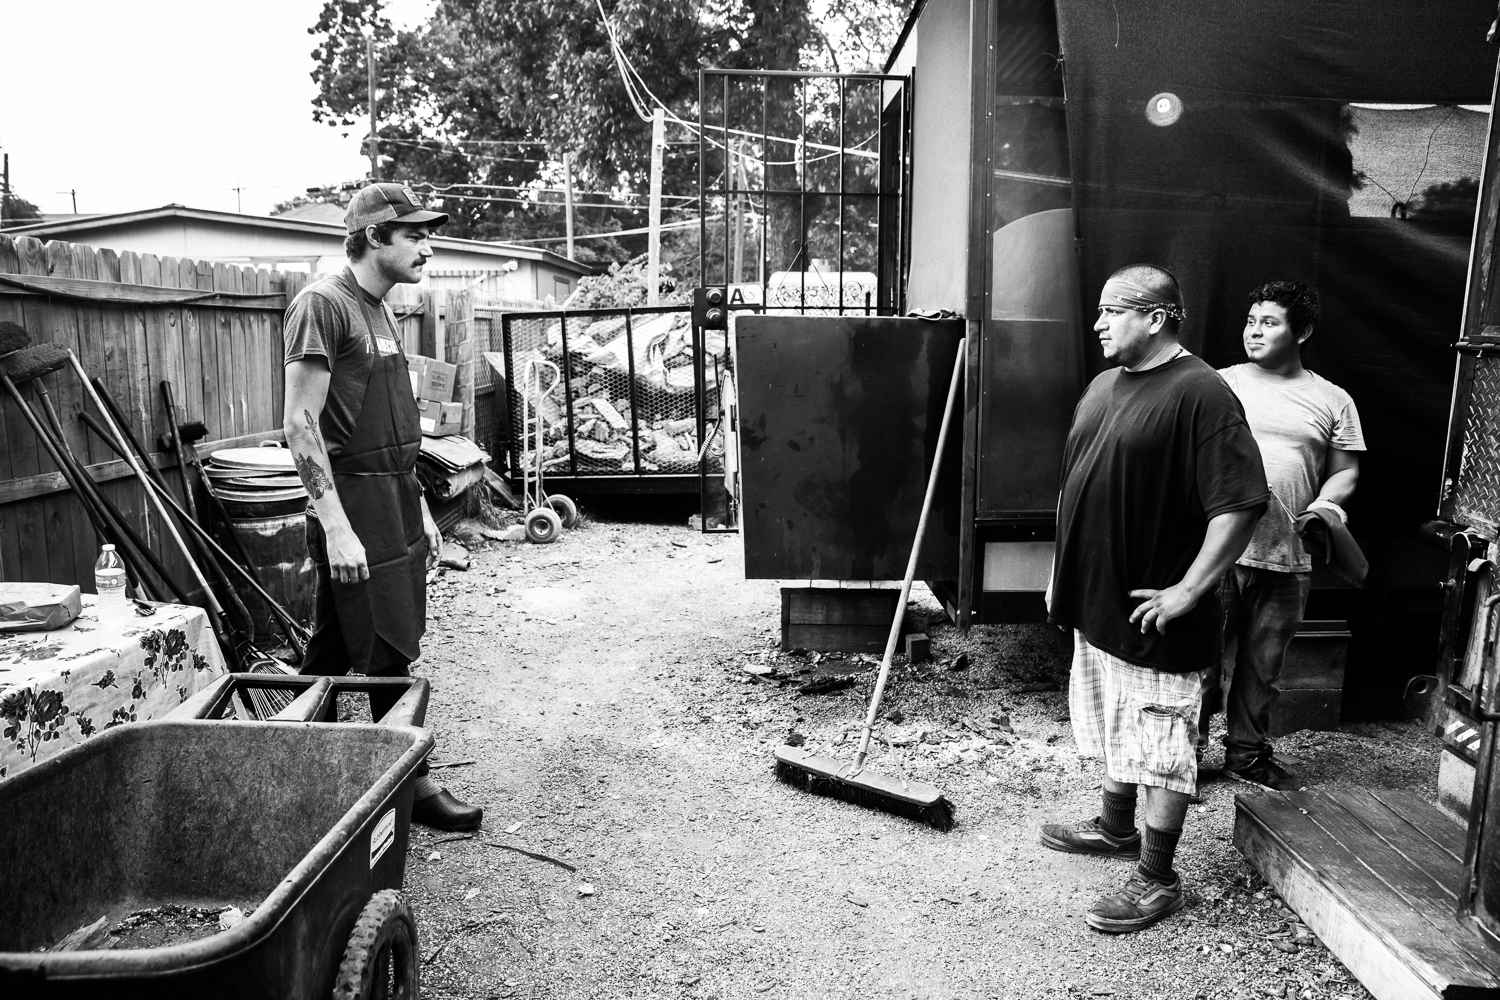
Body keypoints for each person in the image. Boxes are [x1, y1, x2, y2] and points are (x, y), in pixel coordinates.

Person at [1041, 264, 1268, 933]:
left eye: (1112, 311)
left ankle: (1157, 877)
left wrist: (1189, 590)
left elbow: (1239, 504)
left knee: (1163, 734)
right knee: (1118, 716)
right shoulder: (1105, 385)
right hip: (1097, 601)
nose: (1099, 323)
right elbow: (1073, 483)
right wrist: (1064, 572)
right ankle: (1116, 828)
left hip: (1157, 609)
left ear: (1157, 316)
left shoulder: (1203, 393)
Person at [283, 181, 482, 832]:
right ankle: (409, 784)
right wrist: (336, 529)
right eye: (415, 234)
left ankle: (280, 771)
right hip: (352, 503)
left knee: (337, 648)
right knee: (386, 648)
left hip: (393, 498)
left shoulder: (382, 306)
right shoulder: (323, 305)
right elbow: (301, 426)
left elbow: (394, 424)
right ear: (374, 237)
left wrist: (417, 508)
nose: (429, 246)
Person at [1200, 281, 1364, 790]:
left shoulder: (1332, 399)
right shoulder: (1217, 384)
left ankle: (1246, 758)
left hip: (1288, 554)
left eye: (1268, 323)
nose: (1254, 331)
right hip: (1217, 552)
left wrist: (1326, 505)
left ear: (1303, 332)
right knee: (1200, 662)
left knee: (1264, 668)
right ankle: (1180, 759)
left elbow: (1346, 471)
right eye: (1250, 321)